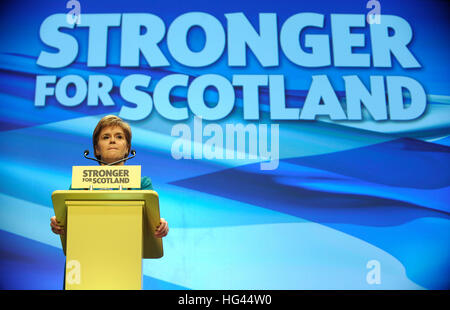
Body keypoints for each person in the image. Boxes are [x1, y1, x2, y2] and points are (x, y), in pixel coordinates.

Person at [50, 115, 169, 238]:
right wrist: (59, 222)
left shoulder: (142, 184)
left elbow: (152, 222)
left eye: (119, 137)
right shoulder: (81, 182)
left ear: (127, 148)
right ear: (97, 149)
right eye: (106, 137)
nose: (112, 140)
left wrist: (160, 225)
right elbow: (66, 221)